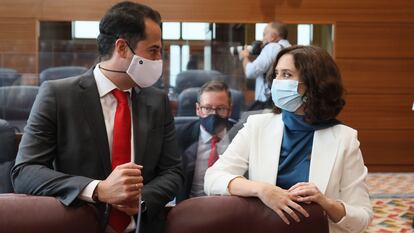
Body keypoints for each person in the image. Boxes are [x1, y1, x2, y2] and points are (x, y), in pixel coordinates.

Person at [11, 2, 183, 233]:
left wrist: (141, 200)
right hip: (80, 224)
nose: (159, 59)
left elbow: (174, 171)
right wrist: (98, 190)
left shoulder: (157, 101)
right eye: (153, 50)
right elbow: (25, 171)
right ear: (122, 48)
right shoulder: (58, 95)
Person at [205, 45, 373, 233]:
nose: (276, 82)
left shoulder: (345, 138)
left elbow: (362, 218)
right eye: (276, 74)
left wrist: (325, 203)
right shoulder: (257, 126)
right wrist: (262, 190)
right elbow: (212, 179)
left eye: (286, 75)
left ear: (312, 84)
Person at [175, 80, 234, 202]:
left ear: (230, 110)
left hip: (230, 208)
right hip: (191, 207)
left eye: (221, 109)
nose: (214, 114)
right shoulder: (179, 136)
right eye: (207, 108)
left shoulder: (241, 134)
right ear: (198, 109)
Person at [240, 21, 291, 109]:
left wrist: (245, 57)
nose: (262, 38)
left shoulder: (272, 47)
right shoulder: (290, 47)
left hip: (266, 101)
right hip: (283, 99)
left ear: (273, 37)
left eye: (264, 34)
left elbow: (251, 72)